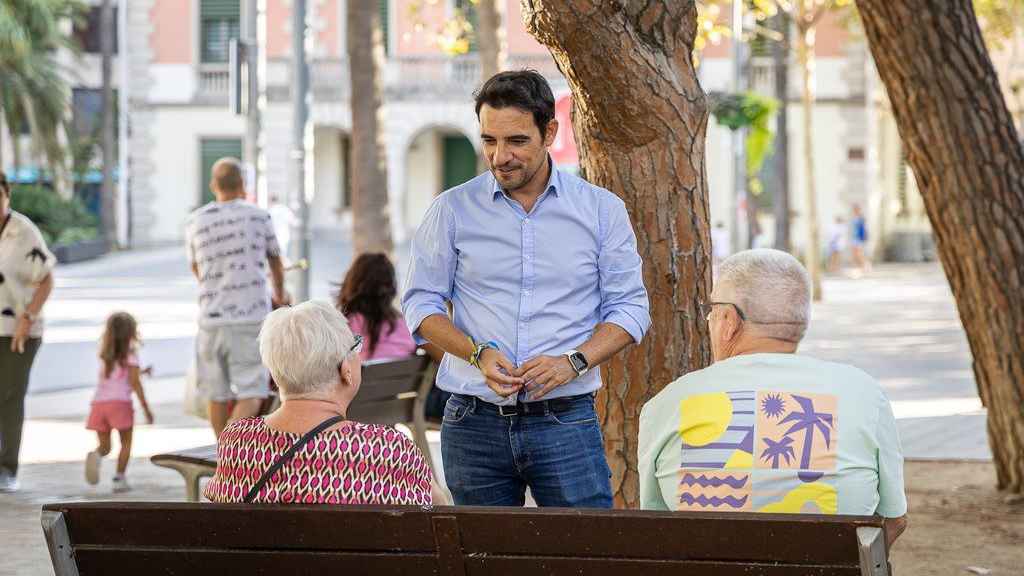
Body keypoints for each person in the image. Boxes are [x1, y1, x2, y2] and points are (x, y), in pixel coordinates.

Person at [402, 70, 651, 508]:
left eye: (516, 141)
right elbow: (421, 304)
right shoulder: (452, 210)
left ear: (549, 131)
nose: (500, 156)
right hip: (471, 421)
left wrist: (573, 362)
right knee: (479, 560)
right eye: (489, 141)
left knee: (584, 556)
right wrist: (476, 353)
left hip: (566, 420)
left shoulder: (601, 211)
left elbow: (630, 309)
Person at [638, 249, 908, 548]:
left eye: (712, 310)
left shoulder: (669, 402)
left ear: (728, 320)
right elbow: (893, 520)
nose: (710, 319)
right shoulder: (864, 393)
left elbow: (656, 523)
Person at [204, 300, 436, 505]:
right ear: (346, 370)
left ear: (274, 375)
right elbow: (437, 509)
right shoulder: (388, 448)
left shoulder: (237, 442)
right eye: (355, 346)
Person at [185, 158, 290, 438]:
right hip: (250, 316)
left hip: (211, 318)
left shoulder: (196, 221)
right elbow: (276, 262)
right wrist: (280, 293)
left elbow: (196, 267)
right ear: (243, 185)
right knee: (252, 392)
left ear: (213, 186)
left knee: (215, 394)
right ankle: (229, 456)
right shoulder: (259, 216)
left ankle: (223, 457)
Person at [0, 170, 55, 492]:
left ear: (7, 196)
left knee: (9, 396)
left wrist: (28, 316)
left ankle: (8, 468)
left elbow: (46, 278)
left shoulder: (23, 232)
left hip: (20, 330)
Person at [84, 312, 154, 492]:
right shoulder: (131, 354)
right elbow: (134, 383)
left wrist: (142, 371)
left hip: (99, 404)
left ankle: (97, 455)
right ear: (131, 332)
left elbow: (118, 376)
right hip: (120, 404)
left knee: (106, 446)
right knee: (126, 443)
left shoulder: (105, 355)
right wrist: (146, 409)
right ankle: (119, 478)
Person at [336, 253, 417, 362]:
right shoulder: (405, 324)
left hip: (365, 378)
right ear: (391, 286)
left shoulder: (347, 324)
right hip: (405, 377)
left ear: (353, 282)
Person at [850, 204, 870, 274]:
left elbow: (864, 229)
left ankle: (865, 266)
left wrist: (864, 237)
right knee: (855, 253)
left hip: (859, 238)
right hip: (854, 237)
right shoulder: (854, 218)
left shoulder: (861, 218)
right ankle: (859, 267)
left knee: (859, 253)